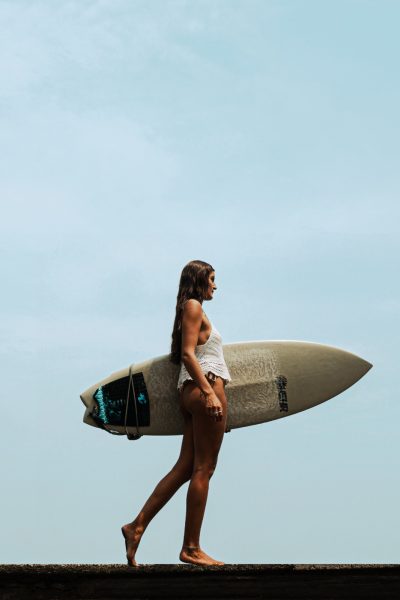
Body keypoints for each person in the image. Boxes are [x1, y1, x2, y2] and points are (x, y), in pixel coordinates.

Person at [121, 260, 232, 566]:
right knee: (203, 469)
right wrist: (211, 395)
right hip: (205, 387)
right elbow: (187, 354)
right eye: (212, 279)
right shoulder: (194, 306)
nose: (215, 285)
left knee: (185, 467)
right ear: (199, 281)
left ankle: (136, 526)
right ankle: (191, 547)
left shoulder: (189, 308)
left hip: (190, 393)